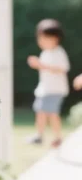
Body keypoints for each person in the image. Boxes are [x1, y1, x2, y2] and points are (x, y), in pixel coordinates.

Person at [27, 19, 70, 147]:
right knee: (40, 112)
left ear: (55, 38)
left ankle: (57, 137)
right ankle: (39, 135)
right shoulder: (45, 53)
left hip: (55, 90)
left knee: (52, 114)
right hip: (45, 89)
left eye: (45, 38)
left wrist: (41, 65)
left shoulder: (58, 53)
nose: (41, 41)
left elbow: (63, 68)